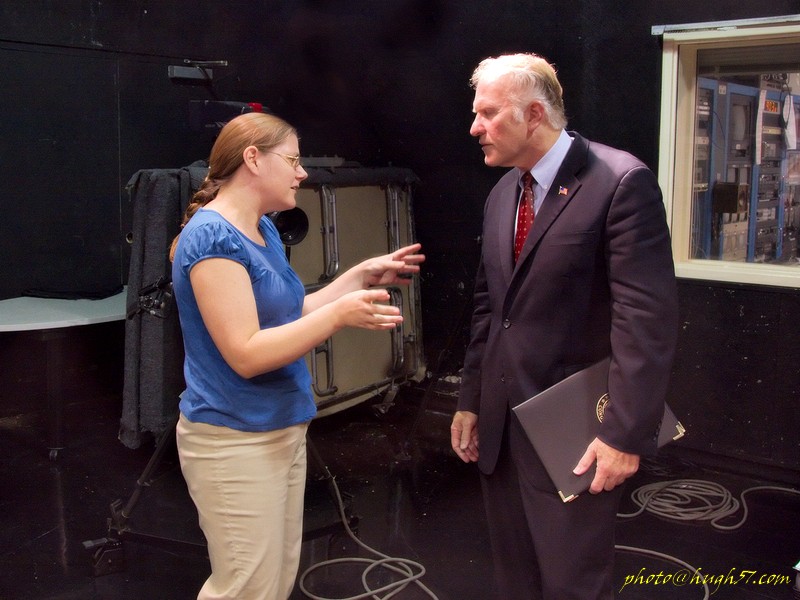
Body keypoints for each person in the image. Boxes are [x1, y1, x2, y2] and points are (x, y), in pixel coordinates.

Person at [449, 53, 678, 599]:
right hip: (503, 428)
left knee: (574, 582)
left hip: (576, 432)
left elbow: (645, 321)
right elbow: (490, 310)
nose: (474, 128)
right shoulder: (504, 192)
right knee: (516, 579)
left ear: (533, 115)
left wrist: (625, 434)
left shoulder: (620, 182)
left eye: (487, 113)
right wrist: (471, 399)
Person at [169, 111, 424, 600]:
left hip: (281, 428)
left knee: (273, 584)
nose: (302, 172)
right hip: (234, 440)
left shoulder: (261, 229)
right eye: (293, 160)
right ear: (253, 160)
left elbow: (290, 311)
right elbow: (245, 353)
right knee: (246, 589)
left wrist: (359, 277)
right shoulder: (211, 239)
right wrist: (337, 317)